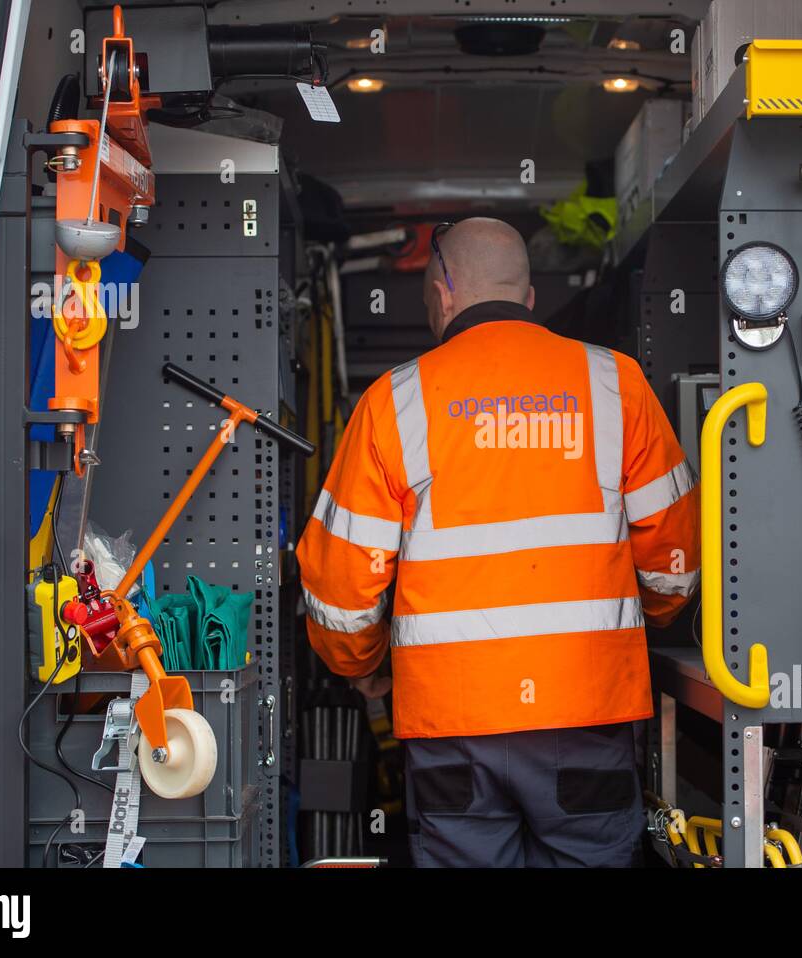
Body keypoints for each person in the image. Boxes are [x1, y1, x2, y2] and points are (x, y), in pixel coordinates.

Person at [296, 217, 698, 866]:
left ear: (442, 292)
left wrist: (362, 666)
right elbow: (674, 558)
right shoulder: (615, 384)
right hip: (587, 710)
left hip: (452, 725)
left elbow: (341, 592)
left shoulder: (392, 404)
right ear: (529, 298)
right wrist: (631, 627)